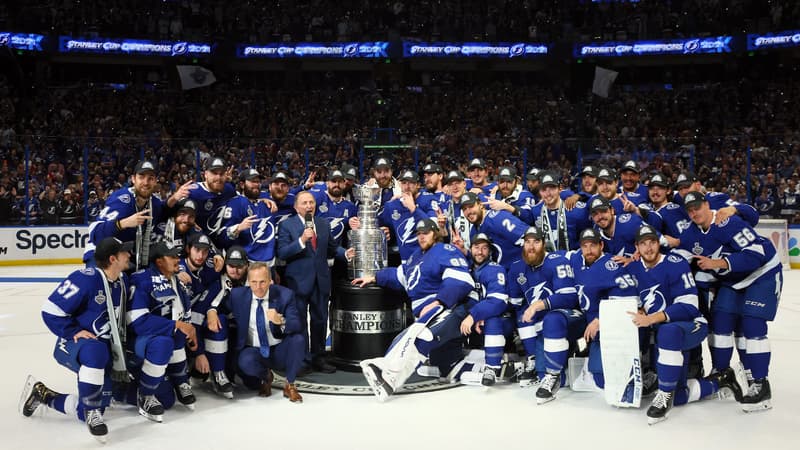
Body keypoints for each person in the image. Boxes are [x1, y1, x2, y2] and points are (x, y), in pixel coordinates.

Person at [675, 191, 782, 412]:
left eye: (697, 207)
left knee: (753, 324)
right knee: (720, 323)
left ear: (707, 204)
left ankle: (760, 384)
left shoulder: (728, 222)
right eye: (690, 210)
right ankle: (722, 373)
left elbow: (756, 254)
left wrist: (718, 263)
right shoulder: (690, 233)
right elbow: (681, 255)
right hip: (732, 280)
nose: (694, 212)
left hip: (762, 273)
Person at [627, 224, 743, 424]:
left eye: (652, 242)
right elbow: (637, 301)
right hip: (664, 331)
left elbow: (689, 306)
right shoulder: (634, 267)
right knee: (679, 397)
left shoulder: (675, 263)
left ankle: (663, 394)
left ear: (658, 243)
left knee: (668, 331)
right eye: (643, 244)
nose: (648, 248)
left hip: (691, 325)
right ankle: (721, 380)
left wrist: (651, 318)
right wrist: (640, 310)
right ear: (637, 247)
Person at [20, 237, 133, 442]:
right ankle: (92, 411)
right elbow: (50, 310)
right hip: (75, 345)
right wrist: (72, 331)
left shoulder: (122, 281)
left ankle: (43, 395)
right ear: (112, 258)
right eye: (125, 252)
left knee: (90, 408)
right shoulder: (86, 278)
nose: (129, 255)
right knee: (96, 352)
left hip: (104, 350)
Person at [352, 218, 474, 401]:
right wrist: (375, 277)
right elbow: (399, 276)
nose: (421, 237)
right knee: (422, 344)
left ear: (436, 233)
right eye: (418, 234)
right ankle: (388, 379)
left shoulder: (445, 250)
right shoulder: (415, 256)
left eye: (426, 233)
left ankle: (388, 372)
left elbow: (462, 280)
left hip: (445, 307)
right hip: (427, 311)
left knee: (419, 335)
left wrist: (440, 301)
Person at [128, 241, 198, 421]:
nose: (178, 259)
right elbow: (138, 321)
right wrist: (175, 325)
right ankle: (142, 395)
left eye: (177, 255)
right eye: (172, 256)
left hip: (162, 342)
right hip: (139, 342)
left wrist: (189, 329)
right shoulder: (142, 280)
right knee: (166, 340)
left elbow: (184, 314)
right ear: (159, 262)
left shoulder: (176, 281)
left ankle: (181, 381)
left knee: (167, 399)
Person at [507, 227, 580, 394]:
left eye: (536, 242)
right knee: (522, 316)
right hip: (543, 322)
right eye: (528, 242)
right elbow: (516, 303)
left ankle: (554, 374)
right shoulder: (517, 268)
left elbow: (569, 298)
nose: (531, 247)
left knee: (552, 319)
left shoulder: (556, 261)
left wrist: (537, 305)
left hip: (569, 317)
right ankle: (535, 360)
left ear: (544, 243)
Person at [219, 262, 306, 402]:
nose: (258, 287)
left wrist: (280, 321)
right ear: (248, 281)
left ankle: (290, 385)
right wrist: (211, 312)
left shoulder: (285, 295)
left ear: (270, 280)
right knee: (245, 362)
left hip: (278, 349)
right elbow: (220, 308)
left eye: (262, 282)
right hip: (254, 351)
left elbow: (297, 323)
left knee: (298, 339)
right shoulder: (237, 295)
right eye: (254, 282)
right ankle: (266, 377)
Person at [276, 190, 338, 373]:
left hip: (321, 280)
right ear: (296, 207)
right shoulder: (287, 225)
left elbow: (332, 249)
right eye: (304, 203)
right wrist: (302, 240)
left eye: (311, 202)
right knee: (300, 322)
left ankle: (319, 358)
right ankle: (302, 359)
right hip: (298, 282)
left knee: (320, 321)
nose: (309, 206)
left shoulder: (323, 223)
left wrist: (347, 254)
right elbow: (282, 253)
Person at [85, 161, 170, 270]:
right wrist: (123, 223)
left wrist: (174, 200)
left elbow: (165, 211)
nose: (146, 182)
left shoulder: (155, 203)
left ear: (155, 182)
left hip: (126, 257)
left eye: (150, 178)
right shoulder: (122, 200)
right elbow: (95, 233)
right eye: (141, 177)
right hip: (100, 254)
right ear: (133, 179)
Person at [458, 233, 512, 387]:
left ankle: (492, 367)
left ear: (490, 251)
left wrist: (473, 316)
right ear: (471, 249)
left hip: (502, 318)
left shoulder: (495, 269)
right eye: (476, 247)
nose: (480, 252)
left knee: (492, 320)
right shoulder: (467, 267)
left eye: (484, 248)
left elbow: (498, 302)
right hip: (479, 319)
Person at [460, 191, 528, 270]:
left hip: (521, 271)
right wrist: (464, 250)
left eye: (471, 206)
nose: (468, 212)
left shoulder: (498, 218)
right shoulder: (474, 230)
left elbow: (528, 236)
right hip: (500, 273)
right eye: (464, 209)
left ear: (481, 205)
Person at [531, 171, 592, 251]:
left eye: (552, 188)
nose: (548, 193)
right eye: (543, 189)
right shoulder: (535, 211)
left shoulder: (577, 211)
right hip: (547, 260)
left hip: (571, 260)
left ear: (560, 189)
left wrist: (580, 195)